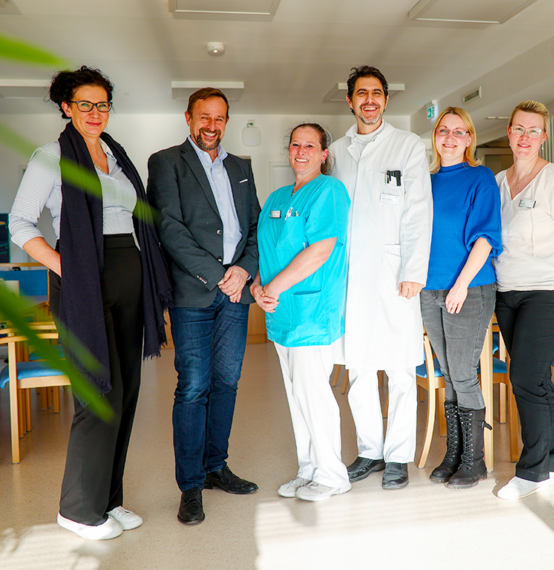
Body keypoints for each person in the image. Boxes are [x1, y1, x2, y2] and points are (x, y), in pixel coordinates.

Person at [9, 66, 172, 540]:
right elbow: (20, 224)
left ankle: (107, 499)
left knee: (127, 393)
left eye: (102, 104)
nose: (95, 112)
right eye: (85, 104)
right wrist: (68, 268)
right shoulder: (51, 157)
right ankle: (78, 510)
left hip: (128, 277)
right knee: (99, 397)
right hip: (83, 281)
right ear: (66, 107)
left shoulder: (116, 156)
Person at [147, 88, 261, 524]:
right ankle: (191, 485)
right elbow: (169, 229)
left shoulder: (241, 167)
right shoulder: (167, 162)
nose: (212, 126)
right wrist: (219, 275)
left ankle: (216, 467)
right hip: (194, 293)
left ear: (226, 122)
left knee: (227, 382)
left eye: (219, 118)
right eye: (204, 117)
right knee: (193, 387)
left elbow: (255, 227)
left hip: (236, 293)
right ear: (189, 118)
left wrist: (243, 270)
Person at [330, 65, 433, 490]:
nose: (369, 100)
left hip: (395, 275)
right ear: (350, 100)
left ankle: (398, 456)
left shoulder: (407, 146)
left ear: (386, 100)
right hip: (350, 279)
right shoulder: (336, 151)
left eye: (376, 93)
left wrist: (413, 271)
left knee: (399, 369)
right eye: (361, 93)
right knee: (358, 369)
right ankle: (370, 451)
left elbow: (418, 212)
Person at [493, 100, 554, 501]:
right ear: (509, 133)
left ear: (544, 137)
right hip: (507, 292)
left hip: (550, 291)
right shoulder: (499, 181)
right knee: (537, 378)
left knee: (524, 377)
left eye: (534, 130)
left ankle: (532, 472)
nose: (525, 137)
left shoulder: (553, 181)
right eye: (519, 129)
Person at [252, 123, 351, 501]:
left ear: (324, 154)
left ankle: (332, 474)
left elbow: (320, 250)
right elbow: (266, 251)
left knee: (313, 394)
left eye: (310, 145)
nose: (301, 151)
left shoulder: (329, 191)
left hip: (311, 310)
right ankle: (309, 469)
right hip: (280, 310)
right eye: (296, 144)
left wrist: (273, 288)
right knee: (297, 397)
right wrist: (258, 287)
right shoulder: (277, 197)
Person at [420, 107, 501, 489]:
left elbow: (486, 237)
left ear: (469, 138)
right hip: (429, 289)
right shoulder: (425, 181)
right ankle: (454, 454)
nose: (449, 138)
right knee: (449, 373)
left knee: (464, 374)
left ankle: (475, 460)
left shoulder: (480, 178)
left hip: (469, 288)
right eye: (443, 130)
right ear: (435, 136)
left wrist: (461, 284)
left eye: (458, 132)